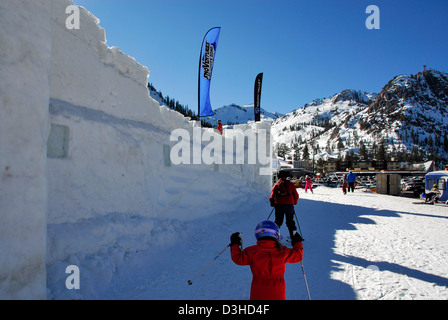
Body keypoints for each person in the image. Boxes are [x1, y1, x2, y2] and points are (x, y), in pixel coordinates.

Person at [230, 221, 304, 300]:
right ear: (276, 235)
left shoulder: (252, 251)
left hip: (258, 291)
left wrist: (235, 244)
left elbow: (238, 258)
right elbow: (298, 256)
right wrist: (297, 242)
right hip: (278, 291)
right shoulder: (282, 251)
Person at [269, 170, 299, 239]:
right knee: (290, 222)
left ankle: (274, 236)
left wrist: (272, 203)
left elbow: (272, 195)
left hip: (279, 205)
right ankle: (294, 237)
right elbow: (296, 195)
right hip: (289, 206)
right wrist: (294, 202)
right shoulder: (290, 184)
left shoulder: (277, 185)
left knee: (278, 222)